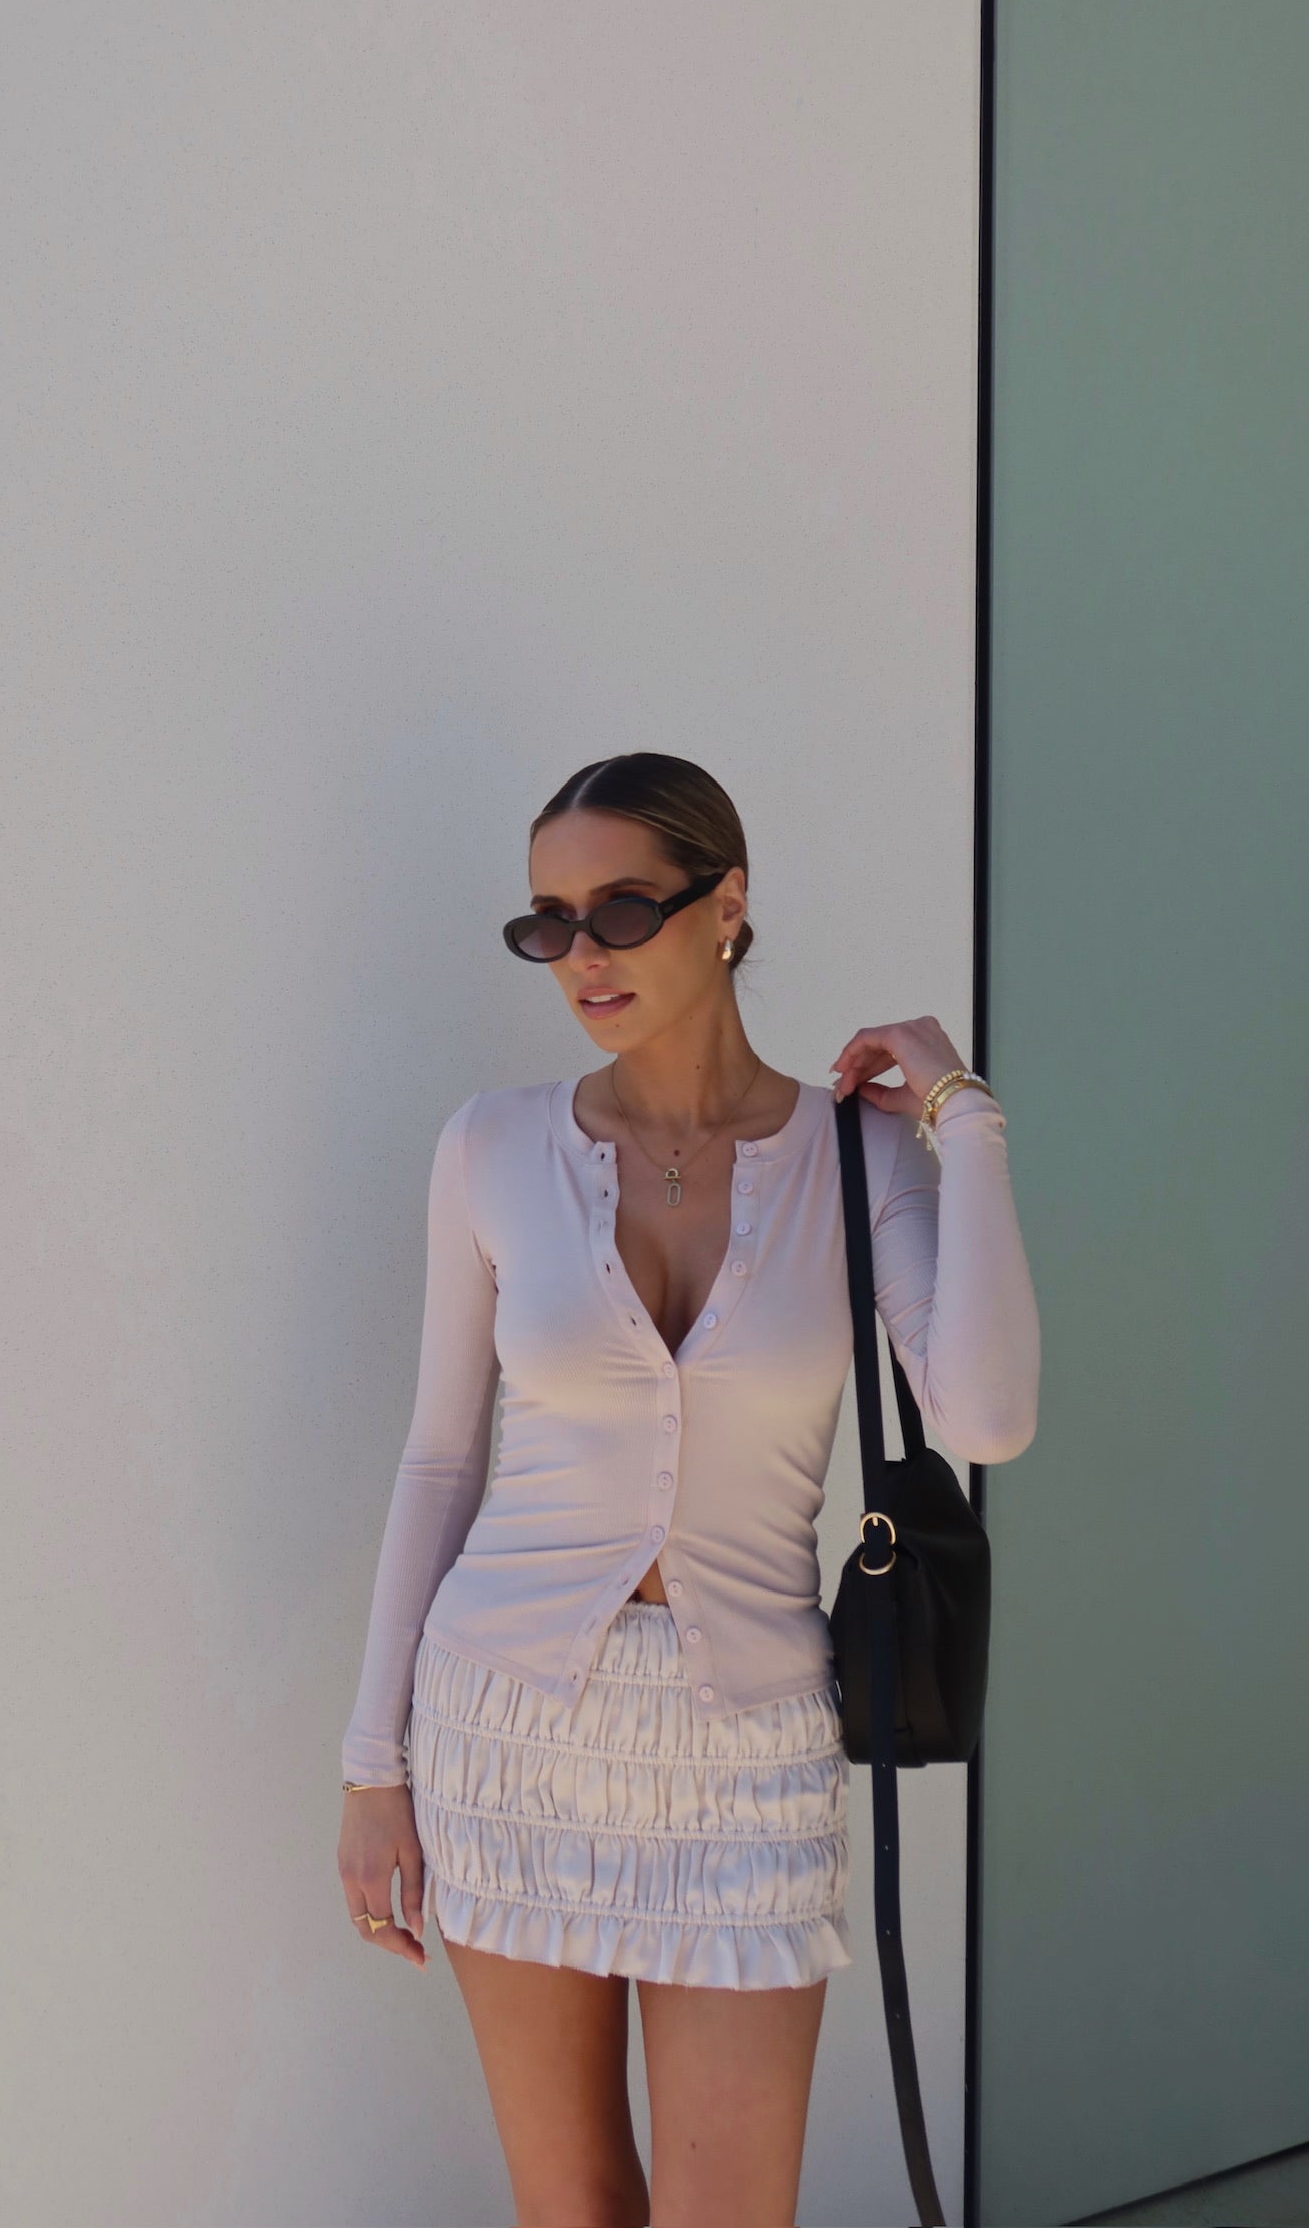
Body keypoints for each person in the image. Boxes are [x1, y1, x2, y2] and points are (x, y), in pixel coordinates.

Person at [337, 750, 1040, 2228]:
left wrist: (962, 1114)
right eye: (547, 924)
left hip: (750, 1746)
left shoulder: (859, 1155)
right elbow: (442, 1460)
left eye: (620, 910)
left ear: (727, 905)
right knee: (574, 2207)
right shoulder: (492, 1147)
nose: (581, 957)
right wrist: (372, 1772)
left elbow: (986, 1419)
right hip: (504, 1729)